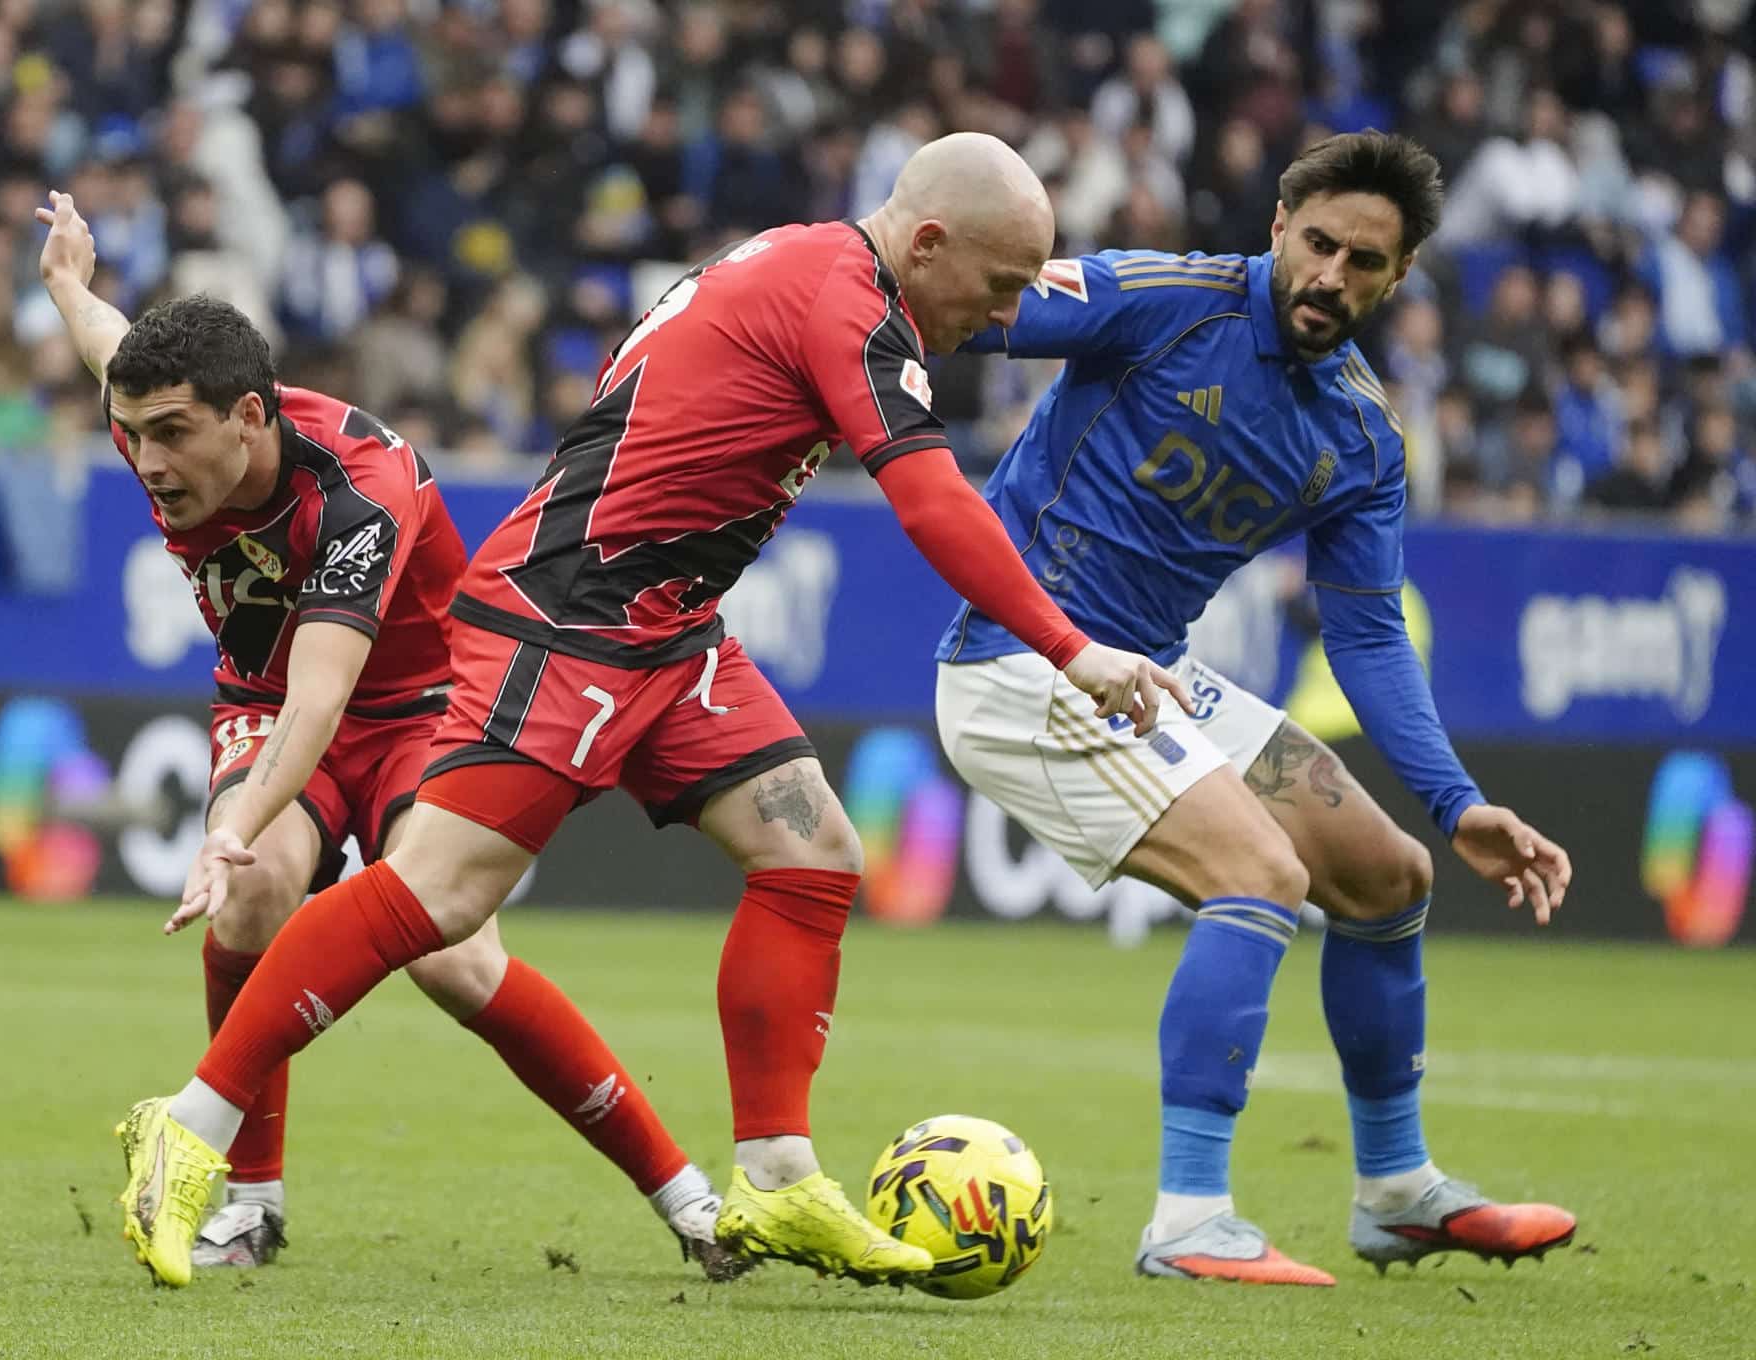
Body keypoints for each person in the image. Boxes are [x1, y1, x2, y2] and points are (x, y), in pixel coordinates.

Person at [108, 134, 1190, 1288]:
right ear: (928, 243)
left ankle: (775, 1176)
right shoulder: (850, 302)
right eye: (1003, 284)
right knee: (437, 897)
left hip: (666, 620)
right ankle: (191, 1127)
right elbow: (930, 502)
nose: (1007, 313)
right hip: (578, 608)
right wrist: (1074, 650)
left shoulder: (815, 267)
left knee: (812, 847)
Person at [33, 193, 739, 1285]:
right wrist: (70, 285)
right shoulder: (164, 416)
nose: (149, 462)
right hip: (262, 699)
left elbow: (328, 698)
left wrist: (229, 826)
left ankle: (687, 1198)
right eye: (132, 435)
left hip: (423, 707)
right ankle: (248, 1204)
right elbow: (108, 351)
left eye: (171, 436)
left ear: (251, 420)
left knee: (457, 961)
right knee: (261, 886)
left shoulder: (363, 486)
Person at [935, 131, 1577, 1286]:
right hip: (1023, 663)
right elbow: (970, 307)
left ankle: (1393, 1189)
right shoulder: (1158, 298)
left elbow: (1369, 632)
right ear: (1278, 226)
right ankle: (1188, 1216)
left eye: (1365, 261)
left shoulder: (1363, 435)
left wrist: (1456, 802)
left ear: (1401, 275)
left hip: (1154, 672)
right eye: (1318, 242)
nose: (1332, 275)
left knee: (1389, 877)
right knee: (1260, 875)